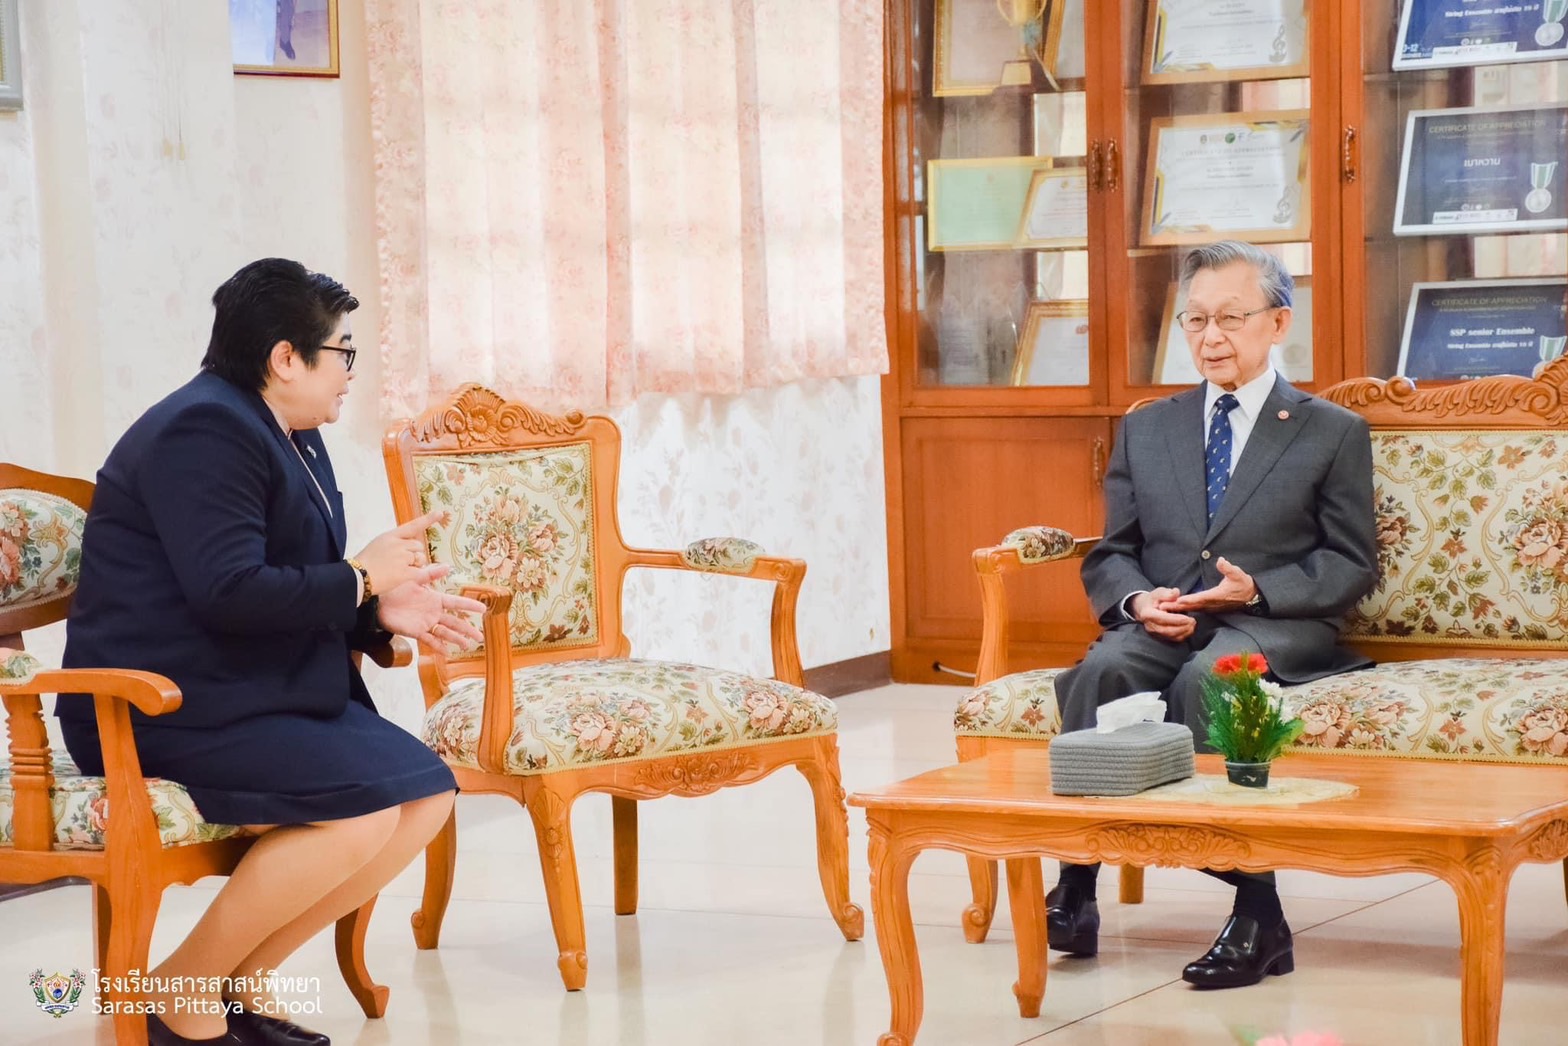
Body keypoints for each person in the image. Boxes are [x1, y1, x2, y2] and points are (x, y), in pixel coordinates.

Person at [58, 259, 485, 1046]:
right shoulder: (202, 431)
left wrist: (375, 609)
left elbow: (285, 576)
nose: (350, 373)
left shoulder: (289, 430)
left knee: (426, 793)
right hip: (158, 704)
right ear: (286, 357)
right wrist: (361, 577)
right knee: (360, 810)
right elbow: (228, 590)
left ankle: (241, 986)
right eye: (343, 353)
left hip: (248, 688)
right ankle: (176, 997)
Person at [1046, 241, 1378, 989]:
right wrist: (1138, 600)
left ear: (1278, 322)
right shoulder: (1149, 426)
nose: (1211, 337)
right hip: (1167, 618)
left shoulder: (1330, 430)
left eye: (1231, 317)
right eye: (1195, 320)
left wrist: (1254, 590)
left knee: (1212, 677)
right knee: (1104, 668)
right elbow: (1114, 550)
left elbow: (1351, 563)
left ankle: (1258, 911)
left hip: (1272, 621)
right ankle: (1075, 881)